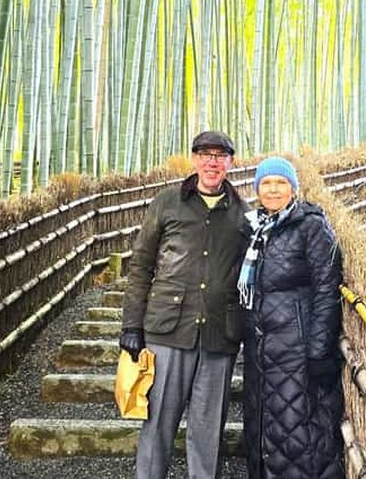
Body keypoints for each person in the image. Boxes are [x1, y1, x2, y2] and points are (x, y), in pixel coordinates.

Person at [120, 130, 248, 479]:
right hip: (167, 330)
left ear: (230, 163)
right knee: (158, 422)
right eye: (205, 154)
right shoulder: (167, 202)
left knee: (208, 430)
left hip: (219, 335)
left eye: (220, 156)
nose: (212, 162)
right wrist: (131, 325)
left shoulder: (242, 213)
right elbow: (141, 264)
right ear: (194, 159)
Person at [238, 156, 345, 479]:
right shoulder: (253, 229)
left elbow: (327, 288)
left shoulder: (311, 225)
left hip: (296, 352)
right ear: (257, 189)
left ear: (293, 188)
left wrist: (319, 351)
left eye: (281, 183)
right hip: (260, 352)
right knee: (264, 433)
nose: (273, 190)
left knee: (301, 435)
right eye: (266, 183)